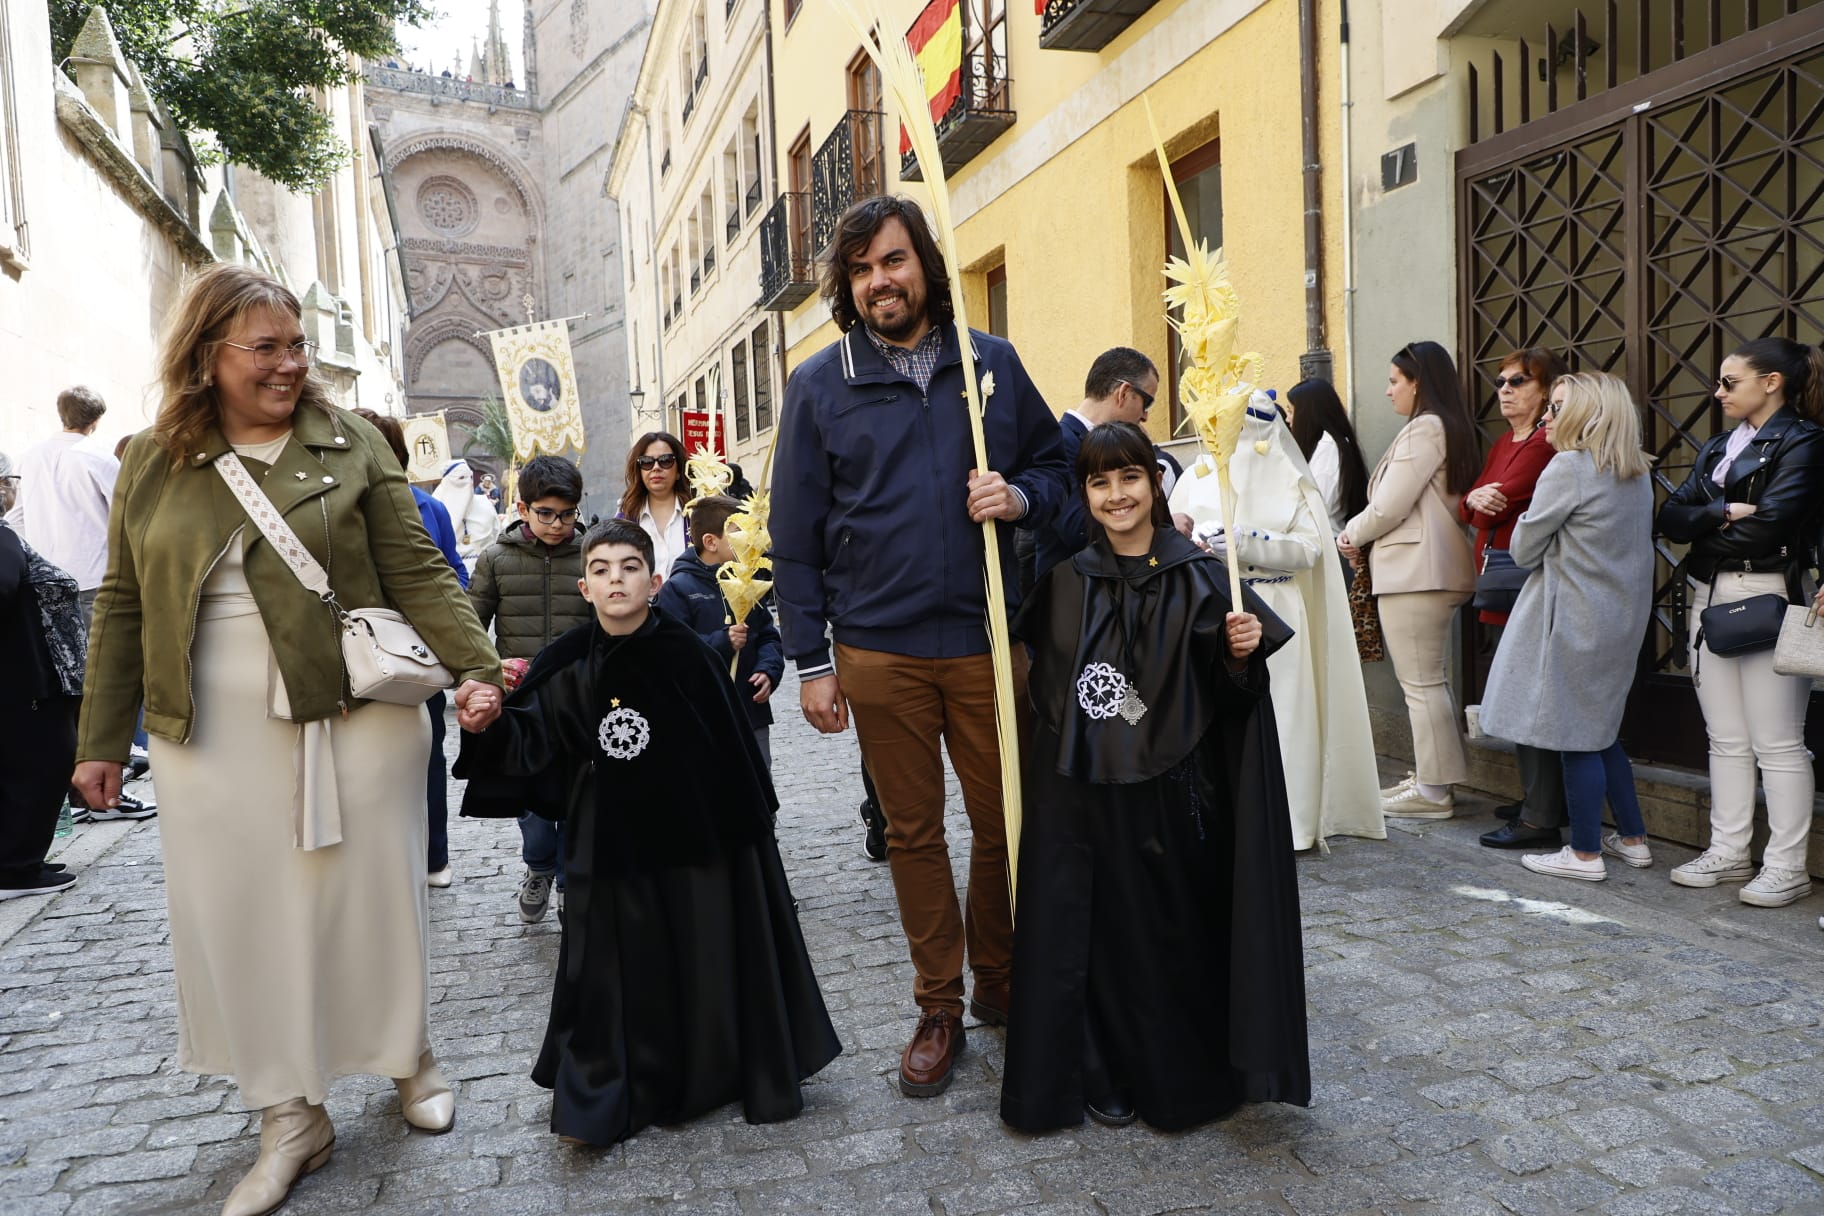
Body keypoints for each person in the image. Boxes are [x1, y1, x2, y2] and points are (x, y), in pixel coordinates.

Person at [70, 263, 502, 1216]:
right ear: (206, 356)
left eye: (295, 344)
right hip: (208, 733)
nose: (289, 364)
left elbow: (416, 568)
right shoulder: (153, 458)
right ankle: (289, 1115)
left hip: (356, 711)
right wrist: (102, 737)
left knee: (372, 896)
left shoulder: (347, 441)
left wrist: (474, 666)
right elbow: (123, 601)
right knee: (241, 916)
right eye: (264, 347)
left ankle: (409, 1057)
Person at [771, 194, 1067, 1098]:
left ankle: (1002, 983)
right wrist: (812, 663)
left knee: (1004, 825)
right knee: (912, 833)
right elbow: (796, 532)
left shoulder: (992, 365)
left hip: (982, 641)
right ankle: (938, 1005)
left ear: (925, 265)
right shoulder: (822, 384)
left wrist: (1017, 499)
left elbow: (1058, 470)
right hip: (877, 650)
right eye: (859, 270)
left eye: (891, 262)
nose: (878, 283)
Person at [453, 519, 840, 1146]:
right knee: (607, 964)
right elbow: (532, 740)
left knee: (700, 948)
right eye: (602, 570)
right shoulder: (567, 660)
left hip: (695, 840)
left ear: (653, 581)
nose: (616, 580)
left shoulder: (691, 654)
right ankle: (605, 1088)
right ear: (585, 586)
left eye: (629, 568)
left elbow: (731, 752)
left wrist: (745, 839)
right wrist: (489, 723)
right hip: (606, 842)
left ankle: (709, 1069)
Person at [1001, 421, 1307, 1131]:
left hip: (1175, 799)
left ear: (1155, 483)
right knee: (1097, 933)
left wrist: (1240, 655)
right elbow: (1046, 693)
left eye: (1129, 477)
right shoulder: (1064, 584)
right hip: (1084, 797)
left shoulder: (1202, 578)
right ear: (1085, 493)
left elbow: (1234, 705)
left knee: (1168, 934)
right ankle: (1103, 1070)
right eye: (1100, 482)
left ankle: (1176, 1073)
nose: (1116, 495)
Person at [1170, 395, 1385, 851]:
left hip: (1278, 609)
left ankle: (1289, 821)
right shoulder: (1196, 476)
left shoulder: (1289, 477)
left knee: (1285, 716)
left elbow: (1310, 548)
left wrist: (1248, 542)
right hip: (1213, 611)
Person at [1658, 337, 1824, 907]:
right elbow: (1669, 517)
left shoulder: (1803, 441)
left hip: (1769, 590)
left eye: (1730, 382)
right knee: (1725, 738)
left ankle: (1785, 866)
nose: (1718, 391)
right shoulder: (1720, 446)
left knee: (1777, 741)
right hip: (1712, 590)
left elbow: (1773, 528)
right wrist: (1721, 512)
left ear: (1771, 382)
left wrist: (1704, 527)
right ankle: (1728, 851)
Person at [1478, 373, 1656, 881]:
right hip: (1619, 617)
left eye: (1556, 408)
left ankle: (1583, 854)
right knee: (1602, 732)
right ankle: (1633, 838)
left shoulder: (1570, 467)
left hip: (1572, 617)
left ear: (1585, 415)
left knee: (1576, 734)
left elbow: (1523, 548)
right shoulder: (1634, 471)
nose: (1546, 418)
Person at [1336, 341, 1480, 818]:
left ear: (1417, 382)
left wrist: (1349, 533)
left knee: (1421, 684)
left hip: (1417, 571)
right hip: (1424, 569)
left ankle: (1434, 792)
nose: (1388, 390)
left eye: (1395, 381)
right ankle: (1431, 777)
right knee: (1426, 682)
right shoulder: (1444, 427)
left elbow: (1390, 505)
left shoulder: (1426, 429)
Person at [8, 387, 155, 822]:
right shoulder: (97, 457)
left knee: (70, 683)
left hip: (45, 580)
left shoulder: (30, 458)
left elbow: (15, 517)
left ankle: (87, 789)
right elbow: (128, 513)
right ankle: (106, 789)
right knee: (104, 674)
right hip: (93, 576)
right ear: (96, 419)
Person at [467, 454, 593, 924]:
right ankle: (539, 866)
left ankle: (569, 881)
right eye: (546, 513)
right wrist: (486, 669)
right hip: (523, 702)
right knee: (534, 800)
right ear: (523, 509)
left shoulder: (590, 555)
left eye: (567, 513)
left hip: (580, 695)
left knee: (577, 795)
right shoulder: (496, 559)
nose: (557, 524)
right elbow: (472, 623)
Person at [1459, 348, 1573, 851]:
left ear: (1546, 391)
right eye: (1501, 381)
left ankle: (1542, 812)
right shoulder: (1506, 440)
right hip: (1500, 578)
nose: (1505, 389)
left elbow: (1493, 504)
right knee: (1518, 688)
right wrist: (1473, 502)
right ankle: (1538, 797)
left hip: (1527, 580)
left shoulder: (1547, 443)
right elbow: (1474, 502)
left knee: (1531, 694)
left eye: (1519, 381)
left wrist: (1476, 504)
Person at [353, 409, 468, 889]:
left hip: (415, 654)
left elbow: (453, 574)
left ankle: (432, 855)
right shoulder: (326, 511)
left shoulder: (428, 508)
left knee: (426, 750)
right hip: (354, 653)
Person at [1029, 347, 1186, 580]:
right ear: (1124, 393)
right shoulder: (1060, 443)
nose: (1145, 416)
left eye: (1130, 477)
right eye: (1147, 402)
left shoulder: (1071, 440)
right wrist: (1159, 526)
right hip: (1074, 598)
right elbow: (1078, 531)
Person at [655, 495, 784, 769]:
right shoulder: (678, 589)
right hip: (703, 714)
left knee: (760, 786)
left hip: (751, 712)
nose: (748, 541)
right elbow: (671, 651)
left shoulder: (747, 582)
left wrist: (768, 669)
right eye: (739, 534)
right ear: (711, 542)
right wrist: (722, 641)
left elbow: (769, 636)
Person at [0, 517, 83, 898]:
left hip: (25, 675)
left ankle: (19, 860)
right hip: (24, 676)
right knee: (45, 763)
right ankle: (17, 869)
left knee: (28, 766)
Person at [1285, 378, 1369, 538]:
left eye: (1290, 411)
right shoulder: (1330, 444)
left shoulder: (1328, 448)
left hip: (1326, 543)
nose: (1287, 419)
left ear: (1306, 413)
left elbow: (1318, 505)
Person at [617, 431, 692, 576]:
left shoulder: (696, 514)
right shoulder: (625, 517)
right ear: (639, 471)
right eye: (647, 462)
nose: (656, 468)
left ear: (679, 471)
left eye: (665, 460)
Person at [432, 459, 504, 575]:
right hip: (449, 576)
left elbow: (497, 538)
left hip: (484, 574)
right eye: (461, 478)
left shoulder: (485, 504)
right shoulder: (435, 506)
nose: (467, 483)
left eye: (470, 477)